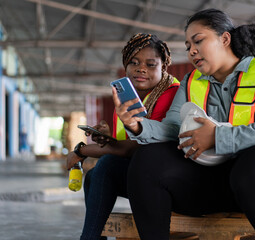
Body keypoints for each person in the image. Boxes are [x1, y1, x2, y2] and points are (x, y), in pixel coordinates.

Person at [114, 9, 255, 240]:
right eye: (188, 46)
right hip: (229, 182)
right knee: (149, 158)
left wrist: (218, 136)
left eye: (198, 41)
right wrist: (138, 126)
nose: (192, 51)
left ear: (225, 39)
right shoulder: (190, 82)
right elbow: (172, 128)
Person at [66, 33, 180, 240]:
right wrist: (108, 137)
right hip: (144, 172)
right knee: (94, 176)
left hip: (172, 179)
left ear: (163, 67)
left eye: (150, 64)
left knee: (107, 166)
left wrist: (81, 151)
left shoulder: (172, 93)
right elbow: (125, 145)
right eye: (133, 62)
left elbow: (134, 148)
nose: (141, 68)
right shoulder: (128, 96)